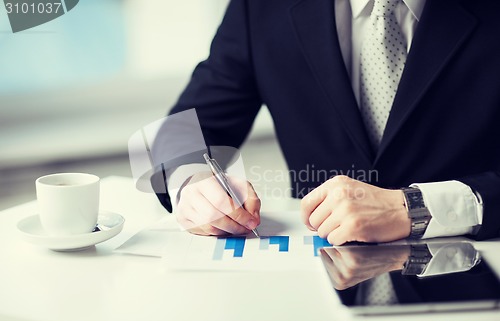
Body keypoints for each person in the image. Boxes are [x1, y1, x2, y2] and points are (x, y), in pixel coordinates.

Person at [152, 0, 500, 244]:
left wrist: (419, 208)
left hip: (479, 263)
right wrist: (194, 185)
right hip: (316, 271)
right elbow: (182, 129)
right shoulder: (259, 6)